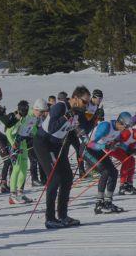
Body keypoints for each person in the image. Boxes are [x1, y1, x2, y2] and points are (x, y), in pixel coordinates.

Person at [33, 85, 90, 229]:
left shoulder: (77, 111)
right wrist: (66, 117)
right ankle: (50, 218)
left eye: (88, 103)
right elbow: (52, 127)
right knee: (55, 178)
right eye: (84, 102)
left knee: (67, 177)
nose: (86, 105)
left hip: (57, 144)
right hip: (43, 142)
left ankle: (63, 216)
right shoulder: (60, 107)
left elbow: (85, 129)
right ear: (75, 98)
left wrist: (94, 117)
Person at [85, 112, 132, 214]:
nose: (126, 129)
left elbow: (117, 142)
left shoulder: (118, 130)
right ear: (120, 122)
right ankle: (99, 204)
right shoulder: (106, 126)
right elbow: (90, 143)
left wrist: (129, 150)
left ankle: (108, 202)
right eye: (126, 126)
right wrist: (104, 147)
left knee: (113, 172)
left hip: (97, 150)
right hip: (86, 150)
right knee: (106, 172)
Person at [7, 99, 48, 204]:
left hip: (23, 143)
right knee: (16, 168)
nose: (42, 114)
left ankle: (20, 193)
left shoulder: (34, 117)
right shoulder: (24, 114)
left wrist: (40, 136)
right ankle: (12, 195)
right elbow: (8, 131)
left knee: (24, 168)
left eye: (44, 112)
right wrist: (13, 144)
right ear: (36, 109)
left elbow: (33, 129)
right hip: (14, 143)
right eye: (41, 112)